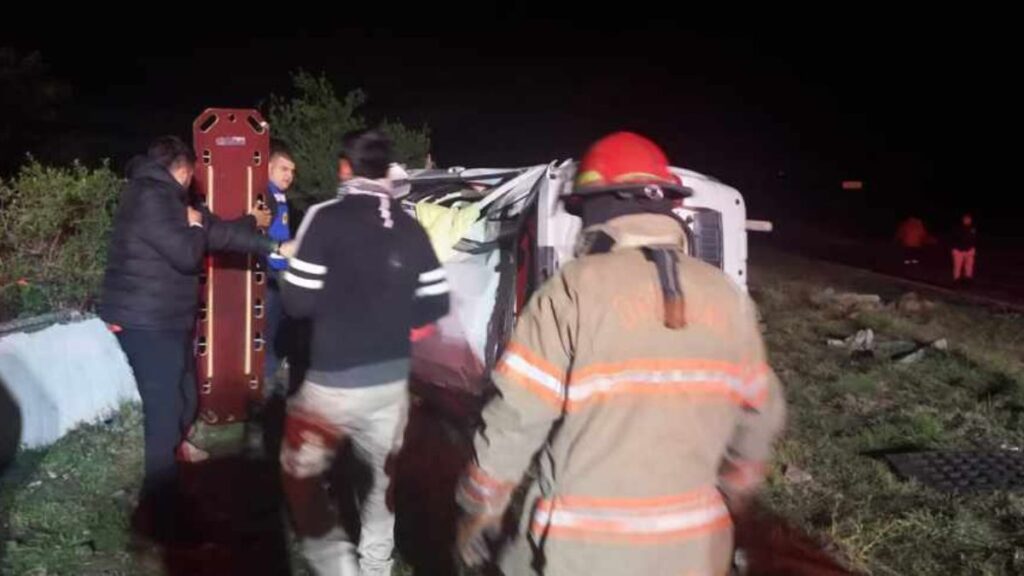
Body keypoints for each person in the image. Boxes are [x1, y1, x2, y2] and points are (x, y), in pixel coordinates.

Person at [454, 132, 786, 575]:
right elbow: (761, 414)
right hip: (695, 551)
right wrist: (733, 487)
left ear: (596, 209)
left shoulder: (572, 290)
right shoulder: (726, 297)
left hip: (581, 554)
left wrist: (480, 504)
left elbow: (517, 416)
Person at [99, 135, 291, 542]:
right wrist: (198, 224)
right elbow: (189, 252)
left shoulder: (165, 198)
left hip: (166, 319)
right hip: (147, 322)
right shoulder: (152, 197)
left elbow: (215, 234)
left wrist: (266, 240)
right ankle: (160, 511)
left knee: (186, 396)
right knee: (165, 411)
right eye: (191, 176)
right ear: (183, 170)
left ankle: (177, 459)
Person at [279, 130, 450, 575]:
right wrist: (393, 319)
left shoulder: (325, 218)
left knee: (300, 475)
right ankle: (375, 568)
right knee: (380, 487)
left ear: (344, 167)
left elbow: (296, 300)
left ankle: (340, 567)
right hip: (391, 385)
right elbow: (437, 301)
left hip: (332, 384)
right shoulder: (410, 227)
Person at [263, 139, 297, 392]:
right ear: (269, 167)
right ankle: (267, 379)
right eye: (284, 169)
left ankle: (274, 371)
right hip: (267, 271)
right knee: (271, 325)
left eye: (292, 171)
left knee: (281, 323)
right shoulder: (265, 194)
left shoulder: (280, 196)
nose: (290, 175)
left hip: (279, 269)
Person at [952, 212, 977, 286]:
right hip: (958, 250)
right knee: (957, 266)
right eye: (966, 219)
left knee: (969, 266)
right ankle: (956, 281)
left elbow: (975, 239)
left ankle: (968, 280)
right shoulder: (957, 227)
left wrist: (973, 249)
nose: (967, 220)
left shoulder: (973, 228)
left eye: (969, 219)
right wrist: (955, 249)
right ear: (963, 220)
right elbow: (953, 238)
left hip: (969, 250)